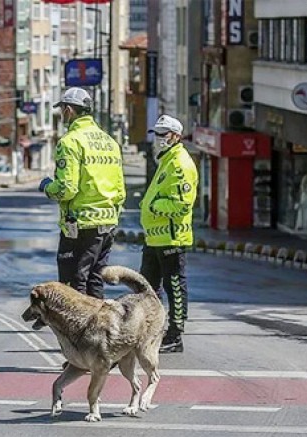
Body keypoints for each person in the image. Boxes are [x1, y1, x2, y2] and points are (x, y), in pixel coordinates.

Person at [39, 87, 126, 299]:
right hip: (107, 224)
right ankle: (99, 319)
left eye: (62, 110)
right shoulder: (110, 142)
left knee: (73, 284)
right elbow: (120, 191)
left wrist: (47, 187)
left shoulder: (70, 142)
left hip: (79, 226)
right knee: (95, 279)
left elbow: (66, 189)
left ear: (69, 110)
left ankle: (79, 321)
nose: (62, 115)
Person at [140, 115, 199, 353]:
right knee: (146, 287)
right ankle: (150, 331)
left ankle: (175, 335)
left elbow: (182, 204)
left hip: (171, 237)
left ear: (176, 136)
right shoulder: (166, 160)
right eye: (156, 134)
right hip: (154, 237)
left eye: (163, 134)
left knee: (174, 285)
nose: (158, 138)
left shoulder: (180, 164)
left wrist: (154, 207)